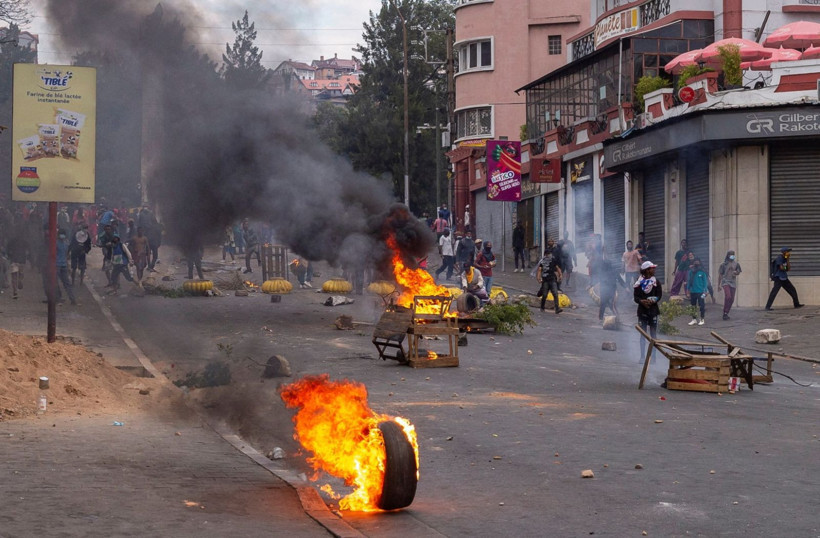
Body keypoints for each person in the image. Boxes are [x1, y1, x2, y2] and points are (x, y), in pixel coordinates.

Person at [634, 261, 662, 361]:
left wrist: (653, 300)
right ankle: (642, 357)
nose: (654, 270)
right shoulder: (638, 283)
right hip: (642, 312)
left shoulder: (656, 282)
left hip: (653, 311)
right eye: (652, 268)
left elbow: (659, 295)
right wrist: (642, 301)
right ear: (647, 270)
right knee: (643, 335)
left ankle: (653, 357)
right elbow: (635, 298)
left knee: (653, 335)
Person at [592, 250, 626, 321]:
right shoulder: (612, 271)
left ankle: (603, 317)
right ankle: (615, 317)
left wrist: (591, 285)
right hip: (609, 290)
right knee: (610, 304)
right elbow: (620, 280)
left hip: (606, 290)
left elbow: (595, 279)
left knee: (604, 304)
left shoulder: (604, 271)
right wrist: (626, 287)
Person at [55, 229, 78, 305]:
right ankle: (60, 298)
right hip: (57, 265)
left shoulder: (65, 243)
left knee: (66, 283)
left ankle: (72, 299)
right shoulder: (57, 243)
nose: (62, 236)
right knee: (58, 283)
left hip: (63, 265)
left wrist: (68, 266)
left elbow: (67, 255)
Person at [537, 248, 563, 314]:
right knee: (545, 294)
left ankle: (557, 308)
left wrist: (560, 275)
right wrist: (538, 278)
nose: (550, 255)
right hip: (545, 280)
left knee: (555, 293)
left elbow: (557, 268)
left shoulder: (553, 260)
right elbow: (540, 270)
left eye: (550, 254)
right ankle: (542, 307)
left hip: (552, 279)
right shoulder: (542, 261)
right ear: (545, 254)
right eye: (548, 254)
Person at [6, 223, 27, 300]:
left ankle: (15, 291)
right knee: (21, 274)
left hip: (14, 260)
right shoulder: (24, 241)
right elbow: (28, 249)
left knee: (14, 276)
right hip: (22, 260)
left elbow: (8, 249)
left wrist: (9, 255)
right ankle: (20, 281)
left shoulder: (11, 241)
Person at [718, 250, 742, 320]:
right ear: (728, 255)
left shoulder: (736, 264)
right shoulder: (723, 264)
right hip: (725, 282)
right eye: (731, 254)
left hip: (733, 282)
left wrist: (736, 272)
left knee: (732, 299)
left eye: (733, 254)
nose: (732, 256)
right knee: (728, 296)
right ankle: (725, 312)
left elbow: (738, 272)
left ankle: (726, 312)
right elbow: (720, 275)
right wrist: (718, 285)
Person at [686, 258, 709, 326]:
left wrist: (705, 291)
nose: (696, 263)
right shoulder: (691, 271)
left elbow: (705, 282)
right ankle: (694, 319)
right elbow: (689, 281)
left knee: (701, 306)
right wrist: (688, 291)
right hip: (693, 291)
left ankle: (702, 319)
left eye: (697, 262)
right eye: (695, 262)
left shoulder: (702, 271)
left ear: (699, 262)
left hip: (701, 292)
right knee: (693, 306)